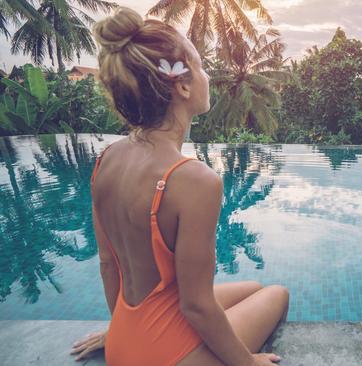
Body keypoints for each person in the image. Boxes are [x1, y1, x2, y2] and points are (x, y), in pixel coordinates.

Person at [69, 6, 289, 365]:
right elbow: (197, 305)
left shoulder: (106, 160)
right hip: (167, 356)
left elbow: (109, 265)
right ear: (183, 85)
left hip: (124, 337)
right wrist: (248, 362)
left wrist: (120, 331)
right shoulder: (193, 180)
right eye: (200, 66)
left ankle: (127, 336)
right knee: (276, 293)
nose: (207, 75)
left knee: (253, 289)